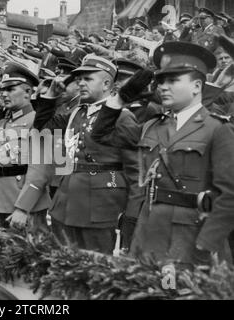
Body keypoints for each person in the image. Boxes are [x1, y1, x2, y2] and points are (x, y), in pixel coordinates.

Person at [91, 41, 234, 266]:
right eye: (161, 81)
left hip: (191, 239)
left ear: (197, 86)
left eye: (173, 80)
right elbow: (101, 135)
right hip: (149, 233)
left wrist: (206, 244)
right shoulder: (153, 126)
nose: (163, 87)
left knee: (177, 291)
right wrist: (119, 99)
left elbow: (230, 195)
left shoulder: (217, 129)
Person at [26, 55, 140, 253]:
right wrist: (51, 96)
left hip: (100, 208)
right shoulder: (76, 113)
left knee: (95, 270)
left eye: (88, 79)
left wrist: (130, 217)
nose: (80, 83)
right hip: (65, 204)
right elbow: (42, 130)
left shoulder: (122, 116)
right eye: (79, 79)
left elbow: (135, 169)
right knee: (61, 266)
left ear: (106, 84)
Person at [0, 62, 51, 230]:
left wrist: (23, 207)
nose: (3, 94)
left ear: (28, 92)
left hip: (24, 201)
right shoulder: (3, 121)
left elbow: (40, 170)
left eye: (10, 90)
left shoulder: (37, 121)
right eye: (1, 90)